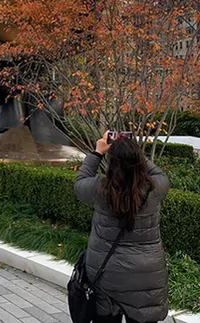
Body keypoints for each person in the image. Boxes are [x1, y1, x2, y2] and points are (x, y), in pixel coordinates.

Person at [74, 132, 170, 323]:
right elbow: (159, 173)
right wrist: (133, 151)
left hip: (106, 275)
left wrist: (97, 153)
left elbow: (80, 182)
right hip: (146, 276)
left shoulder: (99, 189)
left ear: (112, 163)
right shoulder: (156, 188)